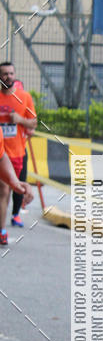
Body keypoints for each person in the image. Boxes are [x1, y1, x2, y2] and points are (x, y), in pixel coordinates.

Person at [0, 62, 36, 245]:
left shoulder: (24, 97)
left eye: (11, 73)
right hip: (2, 150)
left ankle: (15, 215)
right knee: (3, 190)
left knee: (14, 188)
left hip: (15, 152)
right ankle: (2, 230)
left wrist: (19, 119)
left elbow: (33, 123)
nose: (8, 76)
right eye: (4, 74)